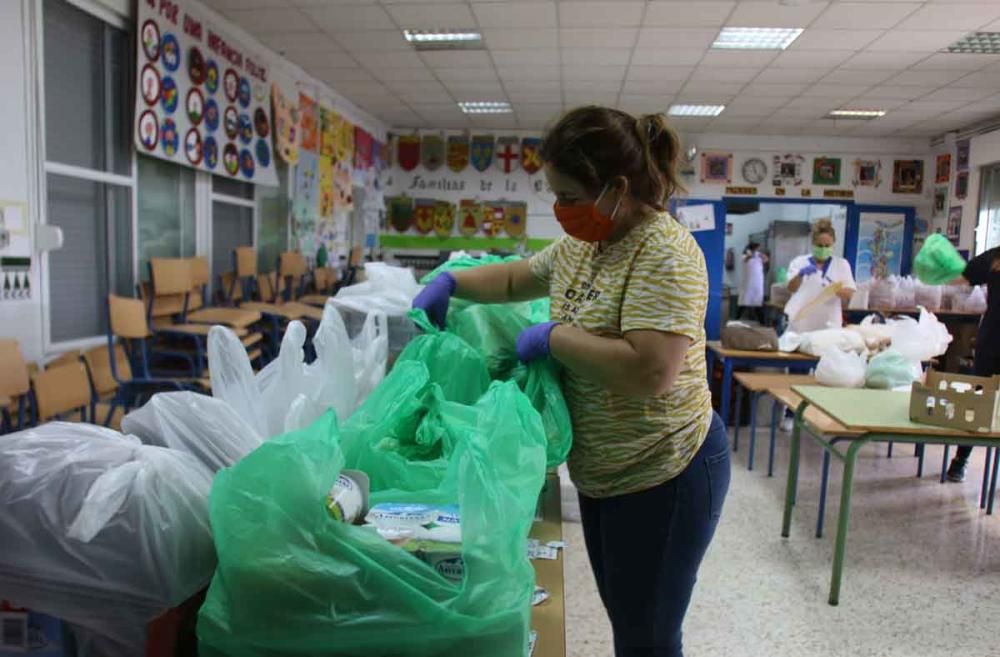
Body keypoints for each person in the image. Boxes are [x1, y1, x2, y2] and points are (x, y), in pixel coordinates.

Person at [412, 106, 730, 657]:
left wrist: (554, 338)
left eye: (570, 197)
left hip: (664, 470)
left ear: (617, 189)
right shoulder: (585, 244)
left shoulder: (665, 253)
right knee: (628, 622)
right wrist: (452, 280)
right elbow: (518, 276)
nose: (561, 210)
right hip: (603, 472)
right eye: (555, 195)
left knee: (648, 638)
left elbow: (652, 370)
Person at [944, 246, 1000, 482]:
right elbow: (962, 276)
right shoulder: (995, 257)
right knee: (977, 403)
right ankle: (960, 460)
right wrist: (939, 265)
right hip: (993, 341)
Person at [785, 219, 856, 332]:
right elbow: (791, 288)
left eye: (827, 245)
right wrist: (800, 274)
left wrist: (832, 287)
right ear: (813, 243)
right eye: (820, 245)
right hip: (800, 326)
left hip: (829, 327)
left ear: (833, 244)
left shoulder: (841, 264)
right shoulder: (799, 262)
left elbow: (849, 293)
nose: (823, 249)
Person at [738, 241, 768, 322]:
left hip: (757, 284)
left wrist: (760, 254)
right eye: (757, 248)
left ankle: (762, 322)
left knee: (758, 303)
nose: (758, 250)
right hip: (748, 283)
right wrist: (750, 254)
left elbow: (766, 260)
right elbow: (745, 259)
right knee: (744, 302)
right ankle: (736, 319)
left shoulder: (759, 256)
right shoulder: (745, 256)